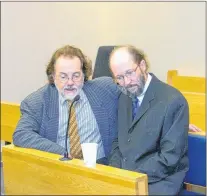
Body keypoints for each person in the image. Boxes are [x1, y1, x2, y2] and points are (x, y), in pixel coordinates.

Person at [13, 45, 119, 165]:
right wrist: (60, 152)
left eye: (76, 75)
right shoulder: (37, 102)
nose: (70, 82)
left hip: (103, 168)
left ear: (84, 74)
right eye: (63, 76)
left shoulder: (105, 89)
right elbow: (21, 134)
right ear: (53, 76)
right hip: (61, 169)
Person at [108, 45, 189, 195]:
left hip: (159, 181)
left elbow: (169, 158)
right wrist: (115, 173)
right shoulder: (123, 96)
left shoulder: (173, 100)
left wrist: (132, 177)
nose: (126, 82)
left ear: (143, 65)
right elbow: (117, 143)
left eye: (129, 73)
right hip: (127, 178)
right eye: (119, 78)